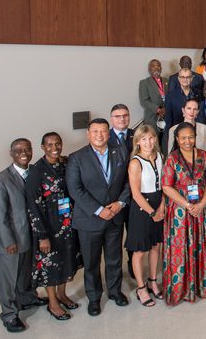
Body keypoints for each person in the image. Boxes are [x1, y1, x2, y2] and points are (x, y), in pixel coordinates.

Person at [65, 119, 131, 316]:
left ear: (109, 133)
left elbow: (129, 181)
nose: (100, 135)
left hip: (115, 217)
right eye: (95, 132)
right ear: (88, 134)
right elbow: (75, 190)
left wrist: (120, 203)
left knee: (114, 258)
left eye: (103, 131)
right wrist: (98, 210)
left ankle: (115, 291)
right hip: (90, 220)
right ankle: (94, 298)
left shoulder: (120, 152)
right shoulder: (76, 158)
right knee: (92, 262)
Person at [0, 138, 47, 332]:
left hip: (31, 236)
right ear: (11, 154)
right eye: (19, 150)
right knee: (9, 279)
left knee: (26, 272)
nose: (24, 153)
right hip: (11, 241)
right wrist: (8, 241)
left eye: (27, 149)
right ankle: (9, 314)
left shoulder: (34, 174)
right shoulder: (1, 180)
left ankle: (28, 298)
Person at [25, 133, 81, 321]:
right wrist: (42, 235)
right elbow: (33, 206)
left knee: (67, 260)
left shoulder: (65, 164)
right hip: (48, 228)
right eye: (49, 144)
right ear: (43, 147)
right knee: (51, 265)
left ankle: (62, 294)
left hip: (68, 224)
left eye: (57, 143)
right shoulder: (37, 171)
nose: (54, 147)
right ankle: (52, 302)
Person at [161, 122, 206, 304]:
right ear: (177, 140)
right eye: (183, 138)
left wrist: (201, 203)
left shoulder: (204, 156)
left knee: (204, 244)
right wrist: (187, 204)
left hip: (202, 208)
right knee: (181, 248)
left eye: (191, 137)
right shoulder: (172, 159)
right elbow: (166, 186)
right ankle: (182, 289)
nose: (187, 141)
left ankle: (203, 285)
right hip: (180, 212)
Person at [124, 125, 165, 307]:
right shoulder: (135, 162)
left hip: (159, 203)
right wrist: (152, 212)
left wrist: (162, 207)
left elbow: (164, 186)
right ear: (138, 142)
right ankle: (141, 287)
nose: (148, 142)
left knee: (156, 247)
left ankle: (152, 280)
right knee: (140, 250)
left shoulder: (159, 157)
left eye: (151, 138)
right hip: (142, 209)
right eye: (144, 139)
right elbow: (136, 194)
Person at [108, 104, 135, 276]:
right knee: (114, 240)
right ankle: (115, 275)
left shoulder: (135, 135)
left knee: (133, 234)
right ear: (112, 119)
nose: (122, 119)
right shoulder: (105, 137)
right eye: (118, 116)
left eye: (125, 115)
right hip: (115, 197)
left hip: (136, 194)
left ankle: (133, 266)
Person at [139, 59, 168, 136]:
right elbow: (144, 101)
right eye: (153, 66)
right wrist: (158, 110)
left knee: (165, 141)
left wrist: (166, 109)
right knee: (153, 141)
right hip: (152, 117)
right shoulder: (144, 83)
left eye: (158, 65)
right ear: (149, 69)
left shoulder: (167, 80)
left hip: (167, 115)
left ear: (161, 68)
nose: (156, 68)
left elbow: (171, 97)